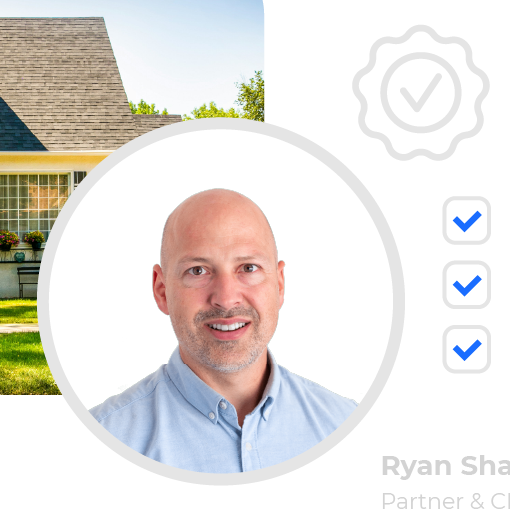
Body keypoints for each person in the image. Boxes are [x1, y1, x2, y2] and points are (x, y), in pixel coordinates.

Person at [89, 188, 356, 474]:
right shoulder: (99, 442)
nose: (227, 299)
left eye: (248, 267)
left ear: (279, 285)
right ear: (162, 290)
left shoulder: (348, 426)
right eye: (198, 271)